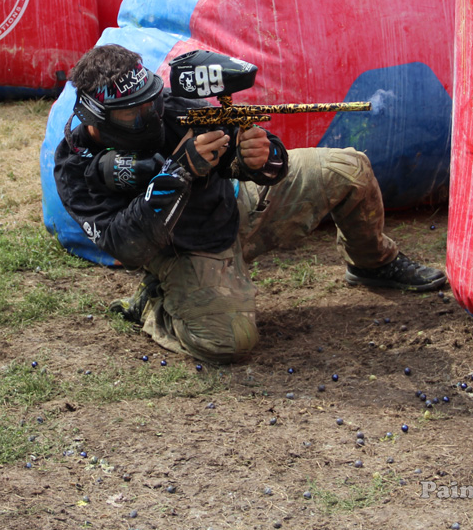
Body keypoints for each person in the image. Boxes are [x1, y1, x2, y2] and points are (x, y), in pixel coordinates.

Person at [53, 45, 447, 364]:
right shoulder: (75, 167)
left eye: (150, 102)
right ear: (95, 118)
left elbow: (253, 159)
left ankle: (373, 264)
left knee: (349, 169)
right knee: (229, 343)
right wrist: (179, 171)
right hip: (183, 250)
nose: (150, 115)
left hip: (236, 206)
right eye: (133, 114)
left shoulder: (170, 108)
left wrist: (260, 157)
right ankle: (156, 306)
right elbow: (125, 246)